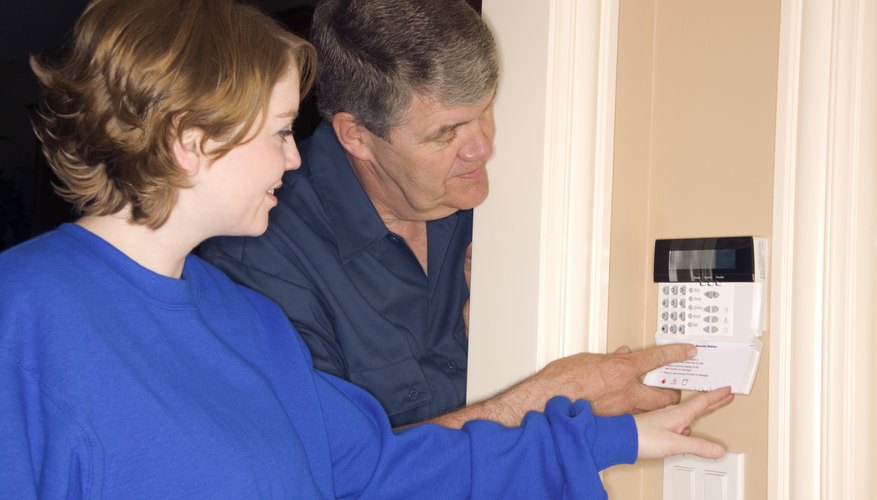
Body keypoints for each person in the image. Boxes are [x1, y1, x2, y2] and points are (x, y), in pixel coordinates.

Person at [0, 0, 735, 497]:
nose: (294, 160)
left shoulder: (243, 322)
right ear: (194, 141)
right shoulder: (27, 312)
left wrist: (602, 440)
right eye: (282, 131)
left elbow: (373, 470)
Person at [200, 0, 695, 428]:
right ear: (357, 136)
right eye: (445, 133)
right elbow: (333, 472)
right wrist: (545, 397)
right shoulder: (256, 256)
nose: (482, 147)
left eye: (484, 110)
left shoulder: (509, 203)